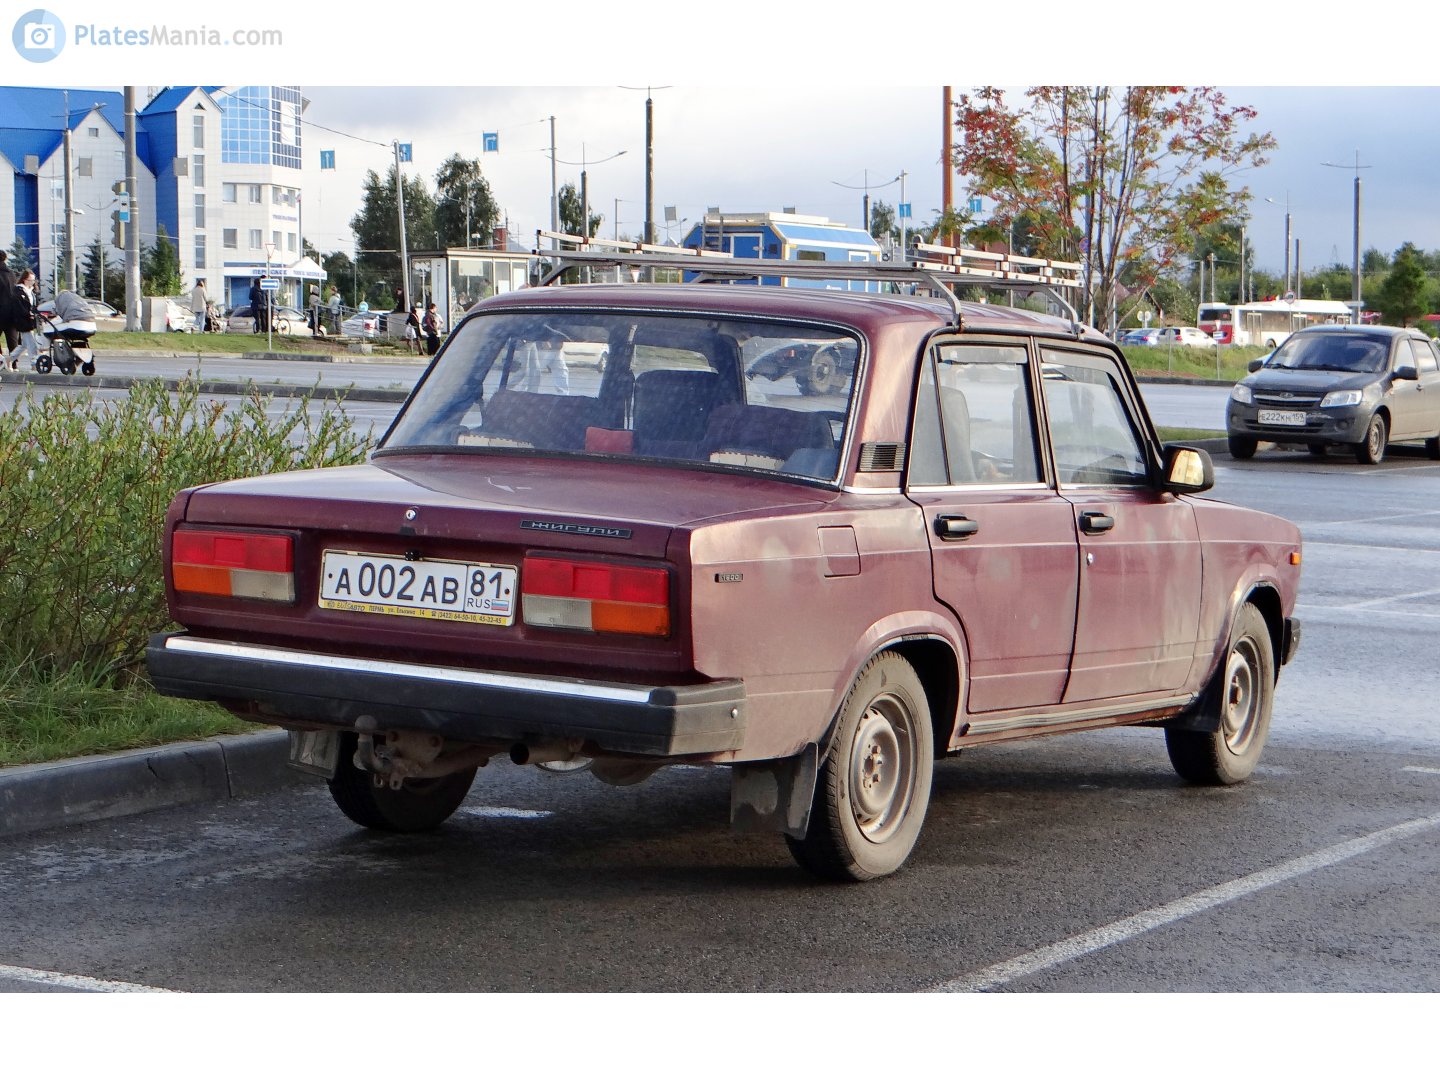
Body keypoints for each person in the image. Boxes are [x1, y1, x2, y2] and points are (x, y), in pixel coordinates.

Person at [6, 269, 41, 371]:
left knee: (24, 345)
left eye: (33, 280)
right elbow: (18, 307)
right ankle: (34, 364)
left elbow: (34, 305)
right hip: (23, 321)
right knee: (32, 343)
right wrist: (28, 314)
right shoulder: (18, 291)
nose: (32, 282)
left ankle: (9, 359)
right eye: (30, 280)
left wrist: (36, 313)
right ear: (24, 280)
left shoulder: (32, 292)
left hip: (31, 320)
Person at [0, 251, 18, 358]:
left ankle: (1, 360)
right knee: (12, 339)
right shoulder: (11, 274)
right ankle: (14, 362)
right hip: (12, 312)